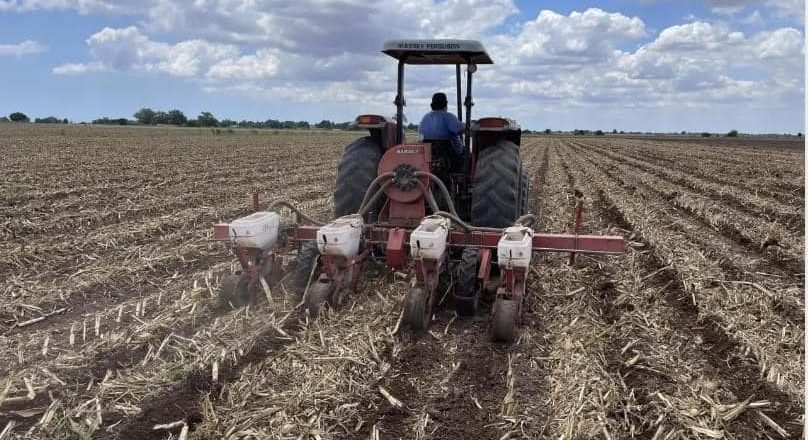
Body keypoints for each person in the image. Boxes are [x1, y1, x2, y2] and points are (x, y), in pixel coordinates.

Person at [418, 92, 465, 162]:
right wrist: (467, 126)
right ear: (446, 103)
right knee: (466, 151)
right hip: (451, 155)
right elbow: (459, 130)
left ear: (432, 104)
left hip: (431, 155)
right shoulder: (448, 117)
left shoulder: (425, 117)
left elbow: (421, 133)